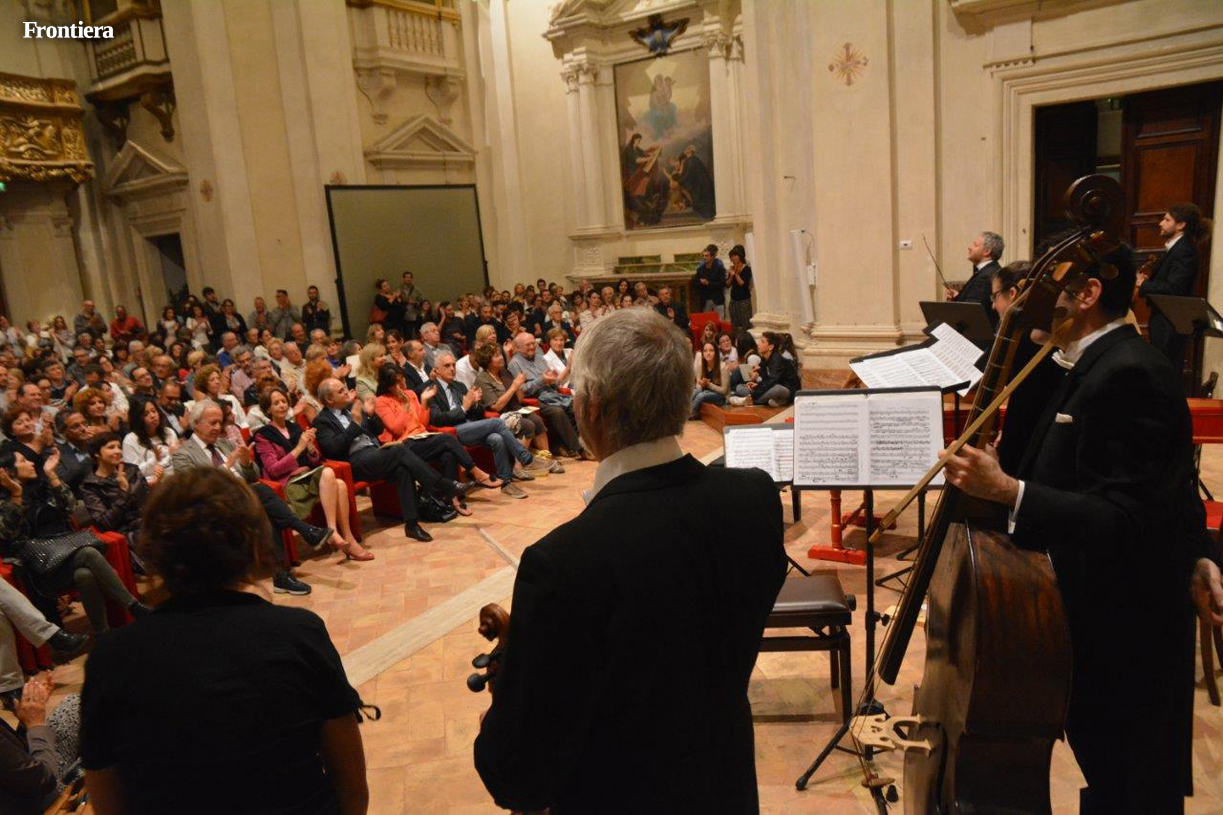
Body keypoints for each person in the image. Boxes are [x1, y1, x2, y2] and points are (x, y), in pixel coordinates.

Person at [943, 245, 1223, 814]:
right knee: (1111, 777)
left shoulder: (1130, 372)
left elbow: (1127, 514)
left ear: (1089, 294)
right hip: (1094, 614)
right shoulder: (1082, 362)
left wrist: (1010, 491)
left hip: (1126, 628)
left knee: (1129, 786)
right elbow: (1164, 481)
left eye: (1049, 289)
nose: (1032, 302)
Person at [474, 307, 787, 812]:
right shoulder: (754, 499)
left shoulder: (564, 562)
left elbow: (517, 778)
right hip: (725, 787)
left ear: (593, 407)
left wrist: (498, 715)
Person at [80, 467, 370, 815]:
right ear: (254, 547)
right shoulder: (298, 633)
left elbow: (108, 803)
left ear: (153, 552)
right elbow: (353, 792)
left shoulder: (111, 658)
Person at [170, 400, 325, 596]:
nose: (217, 427)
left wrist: (245, 463)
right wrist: (227, 466)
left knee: (265, 506)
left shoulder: (225, 444)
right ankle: (304, 530)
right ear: (196, 424)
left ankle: (281, 576)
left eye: (220, 422)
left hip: (246, 499)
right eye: (212, 423)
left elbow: (253, 475)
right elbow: (193, 490)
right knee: (261, 493)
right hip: (215, 506)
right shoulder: (183, 454)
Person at [0, 447, 150, 635]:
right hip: (39, 567)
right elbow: (7, 534)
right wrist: (16, 494)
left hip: (66, 552)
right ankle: (133, 605)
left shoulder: (41, 487)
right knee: (88, 553)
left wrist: (52, 475)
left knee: (84, 575)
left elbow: (70, 507)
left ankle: (103, 633)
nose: (31, 463)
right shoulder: (5, 502)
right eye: (23, 461)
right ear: (7, 471)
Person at [313, 377, 469, 542]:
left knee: (402, 468)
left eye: (345, 388)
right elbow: (333, 449)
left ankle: (412, 525)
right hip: (355, 461)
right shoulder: (322, 421)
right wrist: (355, 424)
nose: (347, 392)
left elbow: (378, 430)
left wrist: (371, 415)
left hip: (374, 452)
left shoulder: (353, 408)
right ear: (329, 399)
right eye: (341, 391)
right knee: (399, 450)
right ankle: (442, 485)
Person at [253, 388, 372, 561]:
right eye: (276, 403)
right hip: (289, 484)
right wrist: (299, 448)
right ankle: (335, 533)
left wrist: (310, 449)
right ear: (268, 409)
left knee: (340, 484)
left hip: (307, 477)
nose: (282, 405)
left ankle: (346, 536)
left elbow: (314, 461)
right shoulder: (263, 435)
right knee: (329, 473)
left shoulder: (294, 428)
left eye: (284, 401)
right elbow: (273, 469)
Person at [427, 353, 554, 495]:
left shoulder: (459, 386)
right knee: (497, 422)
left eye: (453, 365)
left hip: (471, 426)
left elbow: (480, 412)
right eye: (447, 366)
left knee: (497, 438)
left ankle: (506, 483)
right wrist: (463, 408)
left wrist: (475, 403)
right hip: (452, 431)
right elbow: (437, 419)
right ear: (436, 370)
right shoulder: (431, 390)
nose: (452, 368)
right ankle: (526, 458)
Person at [988, 262, 1067, 475]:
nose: (993, 306)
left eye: (995, 297)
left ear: (1013, 293)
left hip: (1029, 441)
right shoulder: (1048, 331)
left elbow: (1028, 400)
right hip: (1043, 433)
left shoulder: (1023, 339)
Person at [1138, 203, 1207, 372]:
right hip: (1165, 318)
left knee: (1165, 369)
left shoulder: (1184, 250)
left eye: (1167, 219)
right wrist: (1149, 281)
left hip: (1170, 321)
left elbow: (1174, 289)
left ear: (1181, 225)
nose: (1161, 223)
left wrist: (1144, 284)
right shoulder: (1178, 248)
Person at [508, 332, 591, 460]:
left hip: (551, 393)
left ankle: (578, 443)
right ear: (518, 348)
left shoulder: (540, 358)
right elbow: (521, 390)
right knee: (557, 412)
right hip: (535, 399)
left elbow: (555, 381)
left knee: (574, 405)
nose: (532, 347)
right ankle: (580, 450)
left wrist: (553, 380)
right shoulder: (515, 363)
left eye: (533, 343)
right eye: (528, 345)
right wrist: (542, 380)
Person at [473, 344, 551, 457]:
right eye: (496, 356)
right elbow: (496, 407)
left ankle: (547, 457)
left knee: (537, 420)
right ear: (487, 361)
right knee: (527, 424)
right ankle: (522, 460)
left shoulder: (505, 373)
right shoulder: (482, 379)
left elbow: (519, 399)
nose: (501, 357)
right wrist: (514, 386)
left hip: (515, 409)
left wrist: (519, 386)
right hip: (501, 415)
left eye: (500, 354)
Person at [80, 432, 153, 536]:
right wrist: (124, 491)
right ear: (96, 453)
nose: (118, 451)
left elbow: (149, 499)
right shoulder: (90, 486)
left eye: (119, 447)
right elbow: (105, 523)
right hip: (127, 533)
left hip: (149, 522)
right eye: (111, 447)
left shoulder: (132, 469)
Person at [947, 231, 1004, 325]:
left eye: (975, 245)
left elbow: (971, 312)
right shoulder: (990, 270)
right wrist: (958, 297)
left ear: (987, 251)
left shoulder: (985, 276)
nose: (970, 247)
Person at [729, 331, 799, 407]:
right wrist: (757, 385)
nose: (758, 344)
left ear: (770, 347)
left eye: (762, 342)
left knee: (778, 389)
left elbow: (772, 382)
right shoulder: (764, 359)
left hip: (786, 390)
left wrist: (754, 394)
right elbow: (765, 380)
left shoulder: (777, 360)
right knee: (740, 387)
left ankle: (750, 400)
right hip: (769, 388)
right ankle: (773, 401)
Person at [123, 394, 178, 483]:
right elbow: (133, 474)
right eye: (146, 414)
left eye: (154, 411)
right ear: (138, 418)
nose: (153, 416)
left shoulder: (169, 433)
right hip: (149, 486)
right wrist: (155, 460)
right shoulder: (130, 440)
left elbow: (177, 463)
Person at [691, 340, 728, 418]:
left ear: (716, 353)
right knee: (696, 391)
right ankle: (681, 410)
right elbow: (698, 385)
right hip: (706, 391)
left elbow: (724, 391)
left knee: (701, 395)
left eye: (711, 350)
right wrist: (701, 384)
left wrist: (709, 384)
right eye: (705, 351)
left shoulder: (723, 367)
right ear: (702, 354)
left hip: (720, 396)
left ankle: (692, 413)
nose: (708, 353)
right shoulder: (700, 365)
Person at [692, 243, 727, 318]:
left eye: (706, 256)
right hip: (705, 300)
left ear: (712, 257)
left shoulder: (719, 268)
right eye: (703, 256)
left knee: (719, 320)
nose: (704, 257)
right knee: (706, 321)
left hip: (717, 299)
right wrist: (700, 282)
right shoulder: (700, 269)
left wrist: (709, 283)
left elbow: (722, 283)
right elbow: (695, 282)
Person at [726, 244, 753, 330]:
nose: (733, 258)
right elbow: (727, 285)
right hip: (733, 300)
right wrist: (731, 275)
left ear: (740, 256)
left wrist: (736, 274)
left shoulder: (747, 269)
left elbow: (743, 284)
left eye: (735, 255)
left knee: (746, 324)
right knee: (734, 325)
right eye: (731, 256)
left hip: (744, 301)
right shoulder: (731, 269)